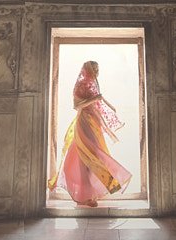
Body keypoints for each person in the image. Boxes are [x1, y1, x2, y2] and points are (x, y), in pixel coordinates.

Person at [48, 60, 132, 207]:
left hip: (94, 122)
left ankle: (98, 191)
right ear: (88, 69)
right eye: (94, 69)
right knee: (86, 157)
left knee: (96, 155)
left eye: (98, 69)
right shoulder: (80, 85)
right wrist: (94, 99)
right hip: (84, 121)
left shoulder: (93, 84)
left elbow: (98, 104)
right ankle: (88, 195)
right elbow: (76, 106)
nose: (97, 72)